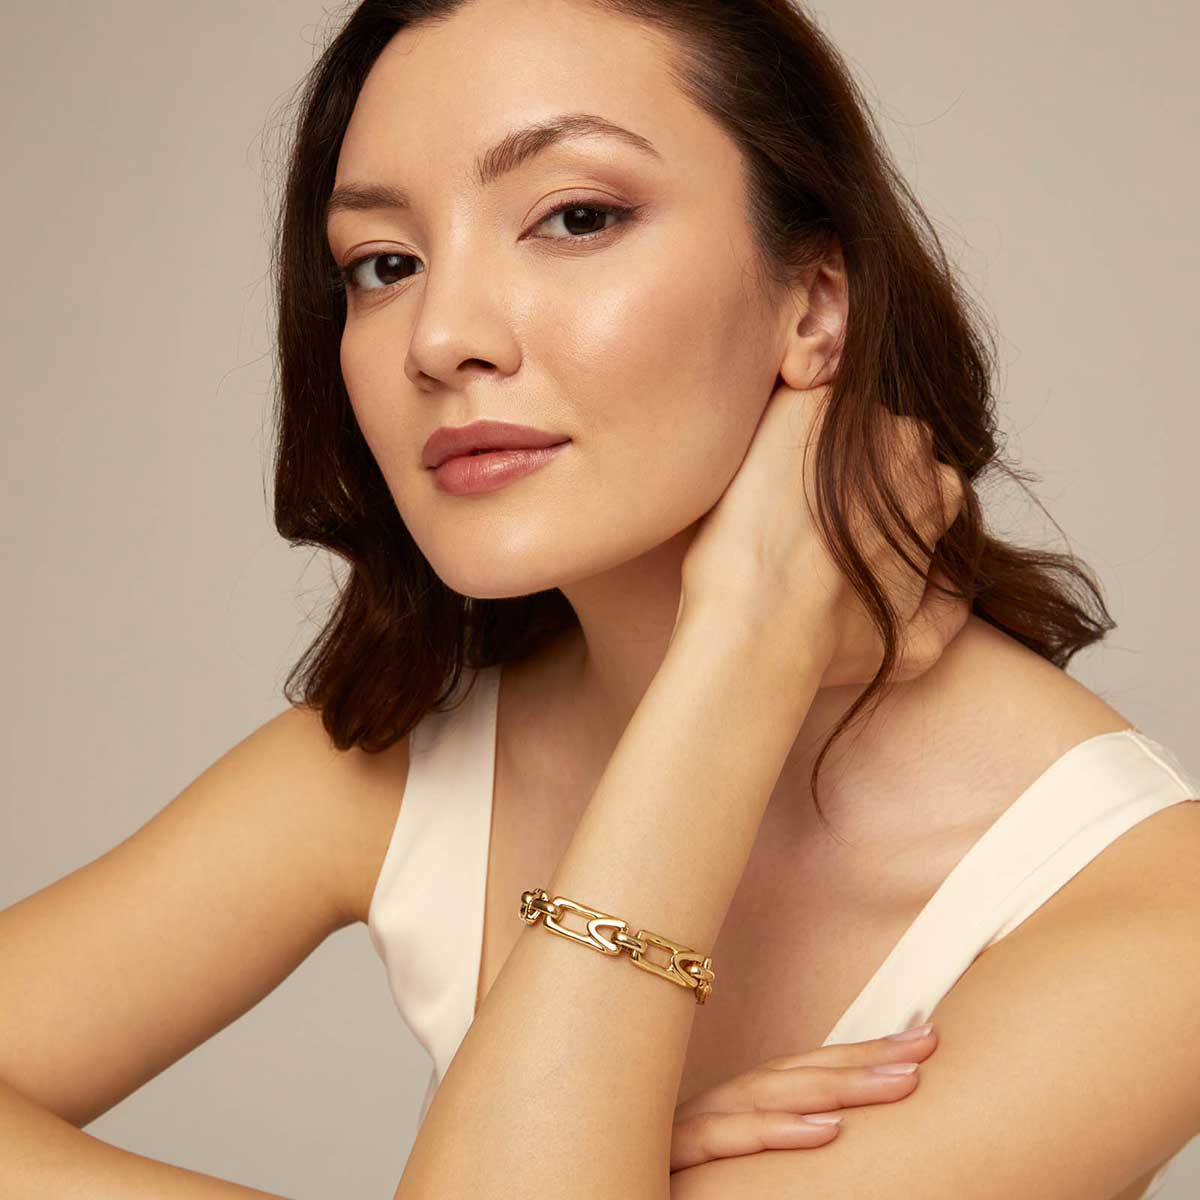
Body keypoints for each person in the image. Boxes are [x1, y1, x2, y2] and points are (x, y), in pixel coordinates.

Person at [2, 0, 1197, 1196]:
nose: (441, 337)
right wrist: (742, 661)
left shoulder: (1156, 913)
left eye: (576, 218)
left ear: (816, 301)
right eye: (385, 264)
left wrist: (747, 643)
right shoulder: (391, 763)